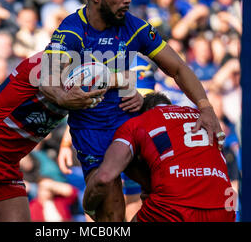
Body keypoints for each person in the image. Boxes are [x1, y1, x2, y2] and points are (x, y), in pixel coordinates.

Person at [39, 0, 224, 221]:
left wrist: (205, 108)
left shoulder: (135, 26)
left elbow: (179, 68)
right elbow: (45, 77)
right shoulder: (71, 30)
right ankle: (91, 204)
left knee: (176, 188)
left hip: (134, 124)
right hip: (94, 131)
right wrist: (64, 97)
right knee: (113, 211)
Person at [0, 52, 106, 221]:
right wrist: (64, 98)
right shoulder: (42, 62)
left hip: (7, 166)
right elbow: (49, 87)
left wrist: (65, 144)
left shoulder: (89, 77)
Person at [83, 92, 235, 222]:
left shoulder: (137, 122)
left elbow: (104, 177)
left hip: (173, 206)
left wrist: (88, 207)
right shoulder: (202, 118)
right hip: (224, 206)